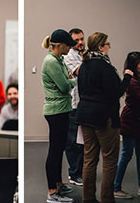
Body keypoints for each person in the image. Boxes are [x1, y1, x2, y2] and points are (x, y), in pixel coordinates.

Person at [76, 32, 134, 203]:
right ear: (101, 47)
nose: (110, 47)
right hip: (104, 118)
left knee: (89, 159)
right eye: (108, 44)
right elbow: (116, 92)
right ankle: (107, 199)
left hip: (85, 115)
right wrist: (128, 77)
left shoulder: (84, 65)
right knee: (109, 160)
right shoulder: (105, 67)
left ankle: (88, 198)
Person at [113, 52, 140, 199]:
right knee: (126, 154)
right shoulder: (132, 81)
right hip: (130, 120)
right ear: (134, 66)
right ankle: (116, 187)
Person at [41, 30, 78, 203]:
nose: (70, 48)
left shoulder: (59, 60)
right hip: (56, 111)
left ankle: (59, 183)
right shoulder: (51, 62)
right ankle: (52, 192)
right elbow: (65, 86)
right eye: (68, 45)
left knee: (59, 148)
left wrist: (68, 79)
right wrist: (75, 80)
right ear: (59, 45)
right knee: (54, 152)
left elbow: (65, 80)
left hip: (62, 109)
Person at [62, 28, 85, 187]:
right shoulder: (68, 57)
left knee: (83, 141)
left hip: (83, 104)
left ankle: (80, 172)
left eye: (82, 39)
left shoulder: (83, 55)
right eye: (76, 40)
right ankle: (73, 173)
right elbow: (81, 72)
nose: (80, 42)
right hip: (72, 105)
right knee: (71, 142)